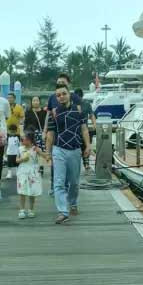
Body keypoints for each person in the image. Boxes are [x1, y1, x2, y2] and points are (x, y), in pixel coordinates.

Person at [46, 84, 91, 224]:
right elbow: (50, 134)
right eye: (58, 95)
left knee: (74, 183)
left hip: (75, 149)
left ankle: (72, 203)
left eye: (64, 93)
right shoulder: (54, 113)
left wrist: (88, 145)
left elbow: (84, 129)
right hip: (59, 149)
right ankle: (63, 212)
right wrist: (47, 153)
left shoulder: (79, 110)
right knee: (59, 183)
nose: (61, 97)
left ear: (69, 94)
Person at [16, 131, 48, 219]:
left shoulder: (35, 149)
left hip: (33, 172)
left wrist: (45, 152)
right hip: (23, 171)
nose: (22, 140)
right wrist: (22, 159)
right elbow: (16, 160)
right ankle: (22, 210)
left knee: (32, 192)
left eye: (24, 139)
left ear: (30, 140)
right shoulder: (20, 149)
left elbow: (44, 156)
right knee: (22, 191)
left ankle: (31, 209)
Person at [24, 96, 48, 175]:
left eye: (37, 100)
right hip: (31, 135)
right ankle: (33, 167)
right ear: (31, 102)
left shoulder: (44, 112)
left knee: (40, 151)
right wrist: (25, 134)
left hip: (41, 135)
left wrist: (45, 133)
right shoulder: (28, 112)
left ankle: (40, 167)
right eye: (33, 100)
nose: (35, 102)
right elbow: (26, 124)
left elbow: (46, 123)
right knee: (32, 151)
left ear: (39, 102)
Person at [74, 88, 96, 172]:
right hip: (74, 130)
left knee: (85, 146)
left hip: (84, 129)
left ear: (81, 96)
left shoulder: (86, 104)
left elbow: (91, 115)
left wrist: (94, 124)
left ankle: (86, 163)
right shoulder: (72, 104)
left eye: (79, 97)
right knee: (76, 148)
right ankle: (76, 164)